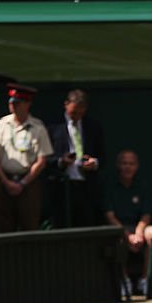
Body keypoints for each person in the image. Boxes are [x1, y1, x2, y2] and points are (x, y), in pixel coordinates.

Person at [0, 84, 54, 233]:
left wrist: (22, 183)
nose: (13, 105)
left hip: (28, 183)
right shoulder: (1, 125)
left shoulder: (38, 127)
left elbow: (41, 161)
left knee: (29, 226)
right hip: (4, 182)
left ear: (27, 104)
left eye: (17, 103)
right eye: (11, 102)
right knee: (3, 227)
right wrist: (6, 182)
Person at [102, 150, 152, 300]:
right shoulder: (109, 186)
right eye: (124, 163)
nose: (127, 167)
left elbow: (146, 215)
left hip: (139, 228)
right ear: (118, 165)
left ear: (137, 166)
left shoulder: (142, 186)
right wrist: (128, 236)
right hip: (120, 228)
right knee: (118, 238)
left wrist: (139, 233)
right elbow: (110, 216)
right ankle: (125, 281)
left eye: (131, 163)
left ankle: (146, 280)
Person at [47, 89, 106, 228]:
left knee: (86, 224)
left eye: (80, 113)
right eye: (73, 113)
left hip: (86, 186)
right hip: (61, 186)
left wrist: (94, 163)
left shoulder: (93, 127)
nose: (76, 117)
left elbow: (103, 156)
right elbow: (46, 158)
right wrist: (61, 161)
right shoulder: (53, 127)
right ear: (66, 105)